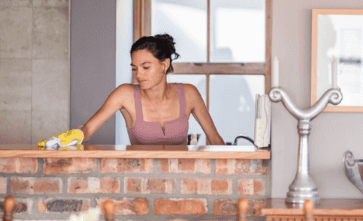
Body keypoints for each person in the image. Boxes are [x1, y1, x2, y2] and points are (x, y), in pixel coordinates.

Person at [39, 34, 225, 146]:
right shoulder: (124, 94)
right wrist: (63, 139)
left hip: (181, 179)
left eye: (145, 67)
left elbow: (215, 140)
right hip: (137, 179)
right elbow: (87, 130)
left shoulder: (189, 93)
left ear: (164, 64)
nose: (138, 74)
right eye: (134, 68)